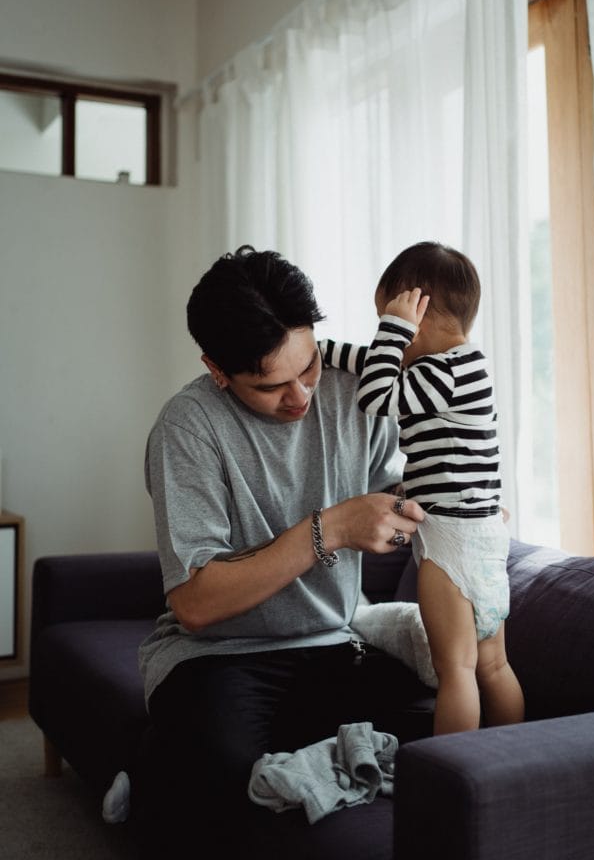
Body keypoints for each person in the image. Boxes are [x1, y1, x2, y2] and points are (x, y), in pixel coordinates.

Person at [136, 245, 432, 859]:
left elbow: (399, 492)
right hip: (215, 657)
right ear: (217, 370)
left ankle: (188, 769)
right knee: (224, 774)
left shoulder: (357, 389)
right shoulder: (188, 428)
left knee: (445, 726)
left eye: (310, 366)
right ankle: (154, 780)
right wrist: (332, 528)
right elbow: (195, 603)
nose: (300, 396)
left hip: (333, 643)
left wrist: (443, 502)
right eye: (270, 386)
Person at [320, 241, 524, 736]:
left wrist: (393, 328)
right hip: (483, 537)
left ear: (419, 316)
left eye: (388, 323)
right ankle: (511, 758)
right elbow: (374, 363)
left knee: (456, 669)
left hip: (452, 543)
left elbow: (374, 396)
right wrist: (319, 352)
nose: (385, 338)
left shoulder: (440, 371)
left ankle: (455, 774)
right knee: (492, 665)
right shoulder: (466, 366)